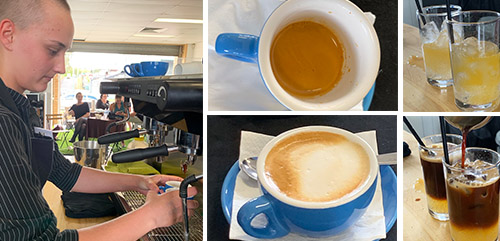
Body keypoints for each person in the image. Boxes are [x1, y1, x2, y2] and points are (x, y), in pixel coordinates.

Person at [0, 1, 198, 240]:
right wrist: (152, 216)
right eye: (53, 50)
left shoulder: (22, 109)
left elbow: (65, 173)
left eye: (65, 53)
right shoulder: (3, 121)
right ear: (8, 35)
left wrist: (140, 182)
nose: (62, 67)